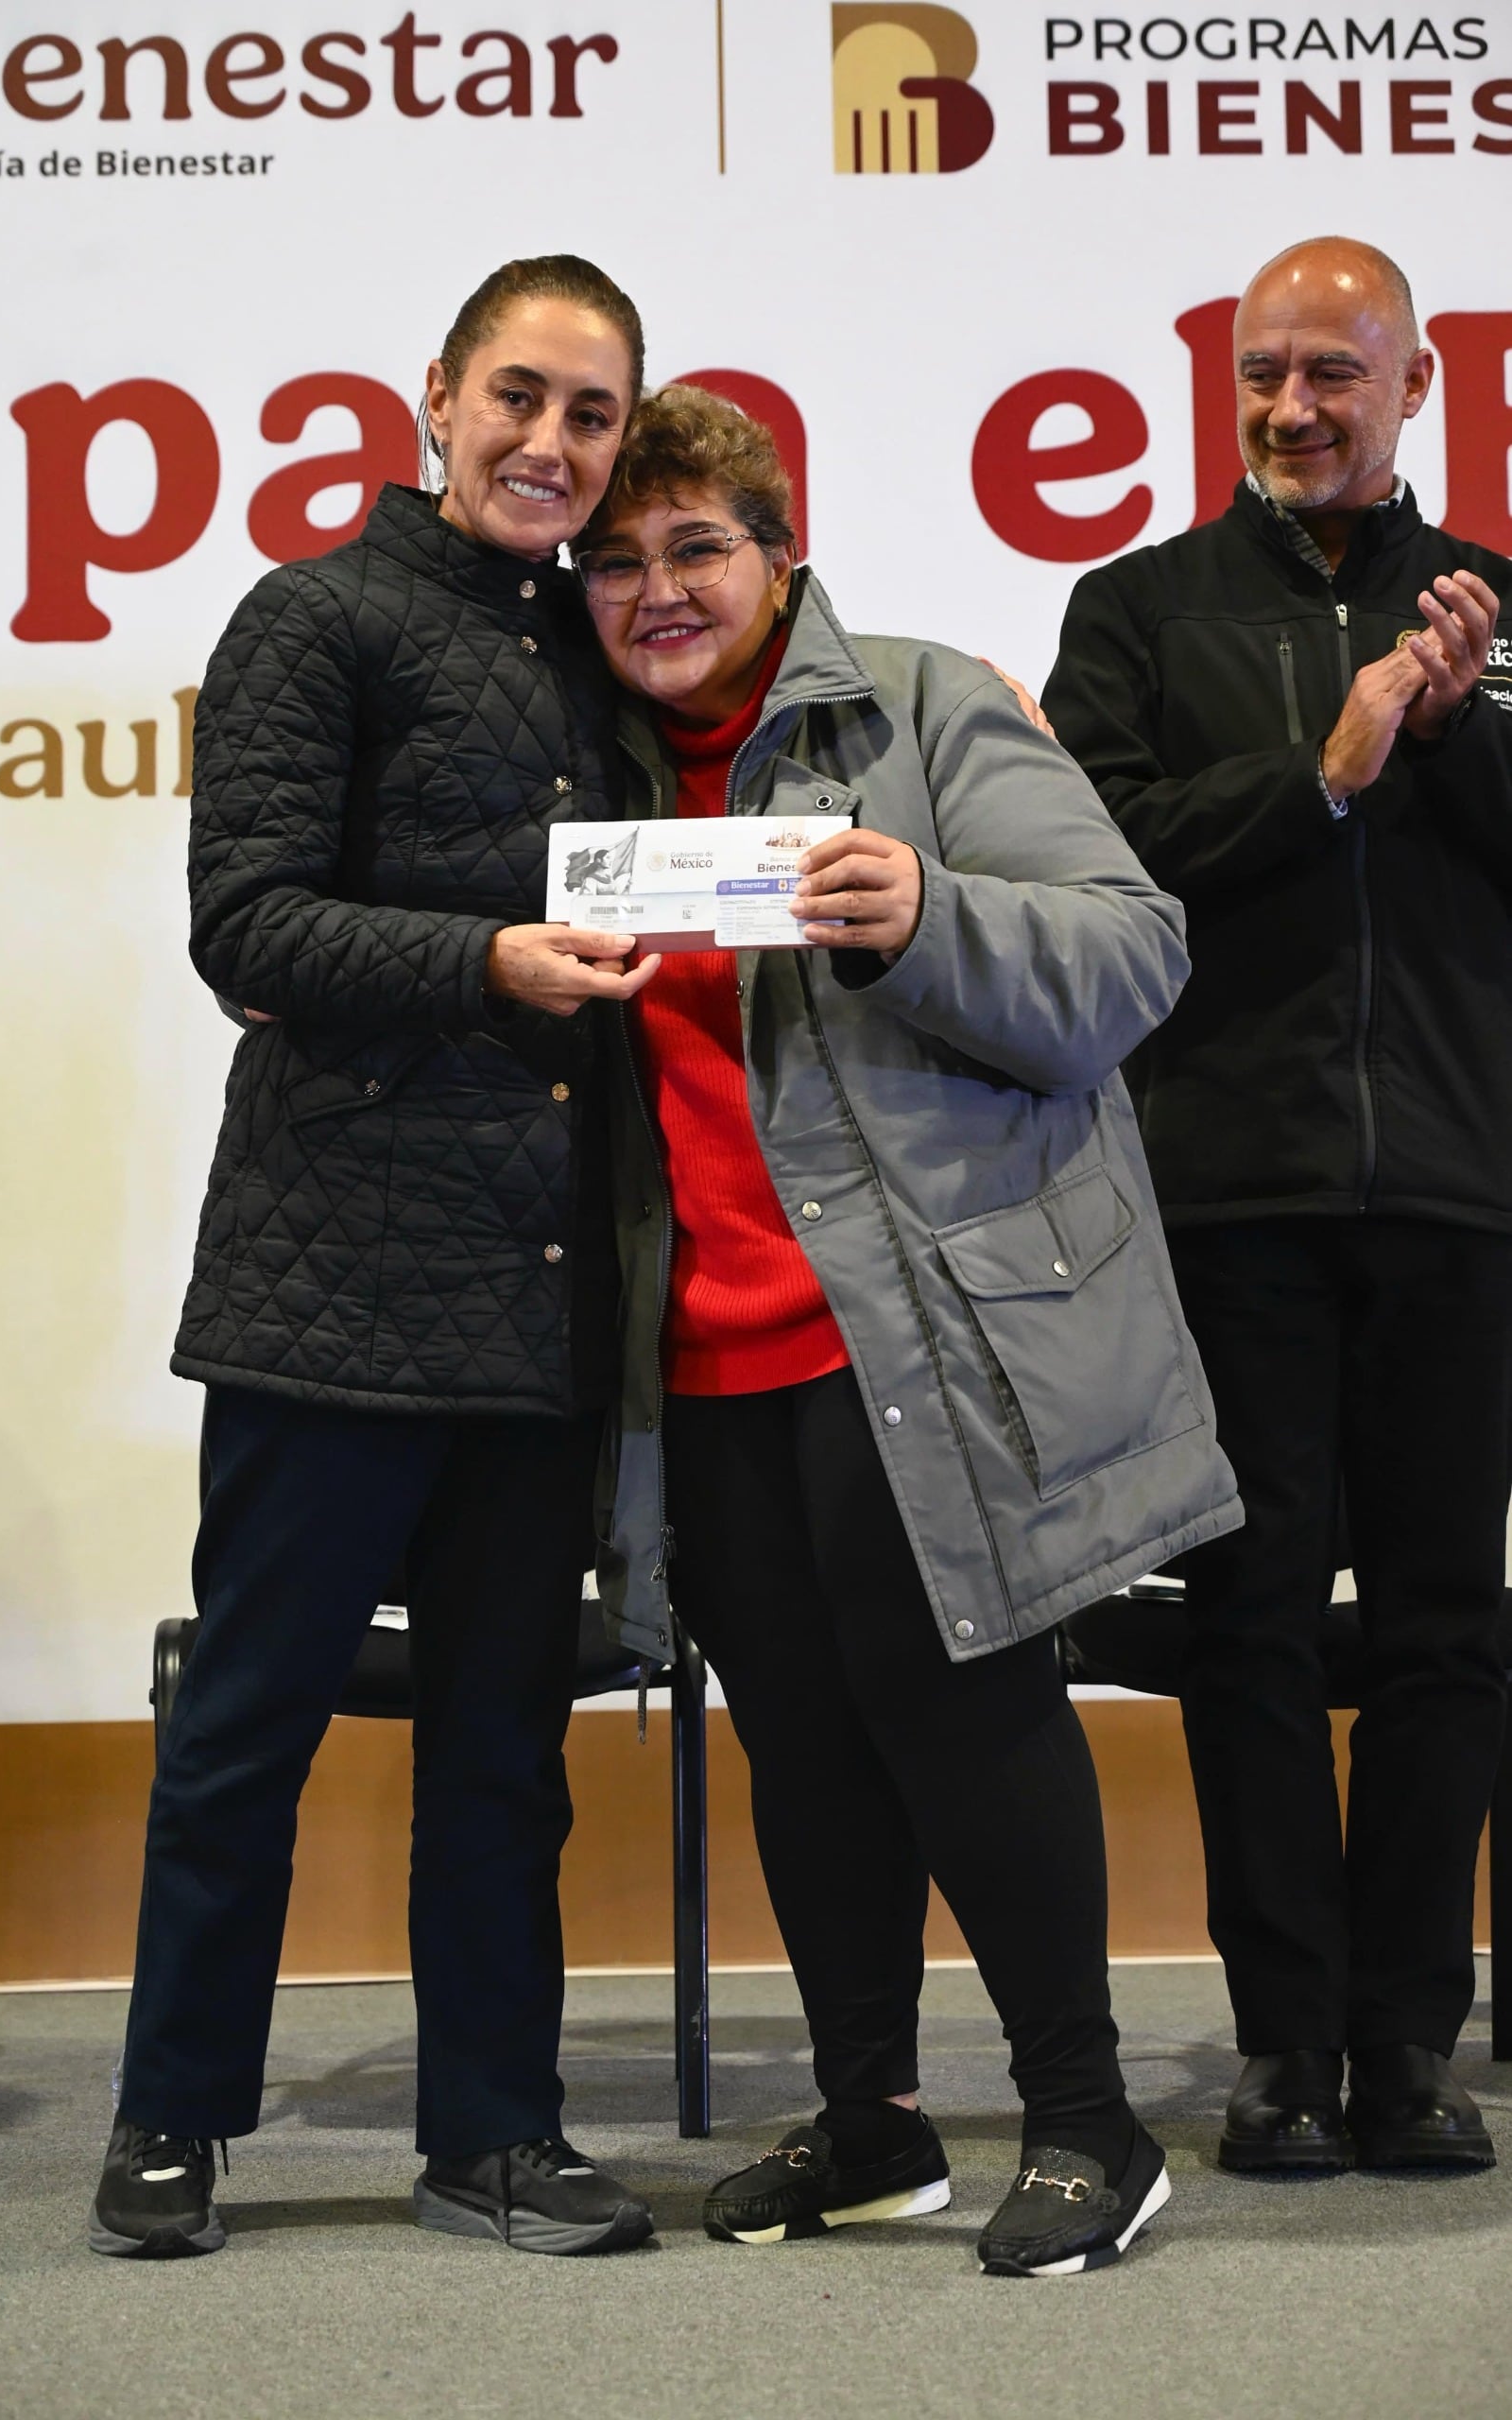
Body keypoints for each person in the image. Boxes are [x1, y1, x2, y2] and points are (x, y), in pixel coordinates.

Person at [579, 386, 1243, 2275]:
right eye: (615, 560)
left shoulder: (926, 705)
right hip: (703, 1355)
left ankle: (1088, 2125)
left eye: (696, 546)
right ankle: (870, 2122)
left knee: (966, 1717)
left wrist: (925, 912)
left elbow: (1130, 954)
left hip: (917, 1330)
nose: (656, 589)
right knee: (800, 1746)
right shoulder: (580, 766)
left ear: (780, 555)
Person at [89, 256, 669, 2262]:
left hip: (540, 1292)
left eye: (590, 415)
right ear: (436, 395)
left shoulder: (608, 645)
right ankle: (171, 2116)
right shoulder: (310, 615)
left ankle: (492, 2131)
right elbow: (243, 922)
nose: (549, 444)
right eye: (519, 396)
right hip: (327, 1282)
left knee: (506, 1753)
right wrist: (482, 960)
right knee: (246, 1727)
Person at [1044, 236, 1512, 2177]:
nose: (1292, 407)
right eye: (1262, 371)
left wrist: (1455, 730)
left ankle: (1404, 2040)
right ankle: (1281, 2044)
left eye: (1332, 371)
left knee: (1440, 1631)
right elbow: (1098, 856)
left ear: (1414, 385)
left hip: (1459, 1194)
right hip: (1223, 1196)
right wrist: (1321, 773)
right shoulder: (1135, 609)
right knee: (1244, 1624)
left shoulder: (1493, 609)